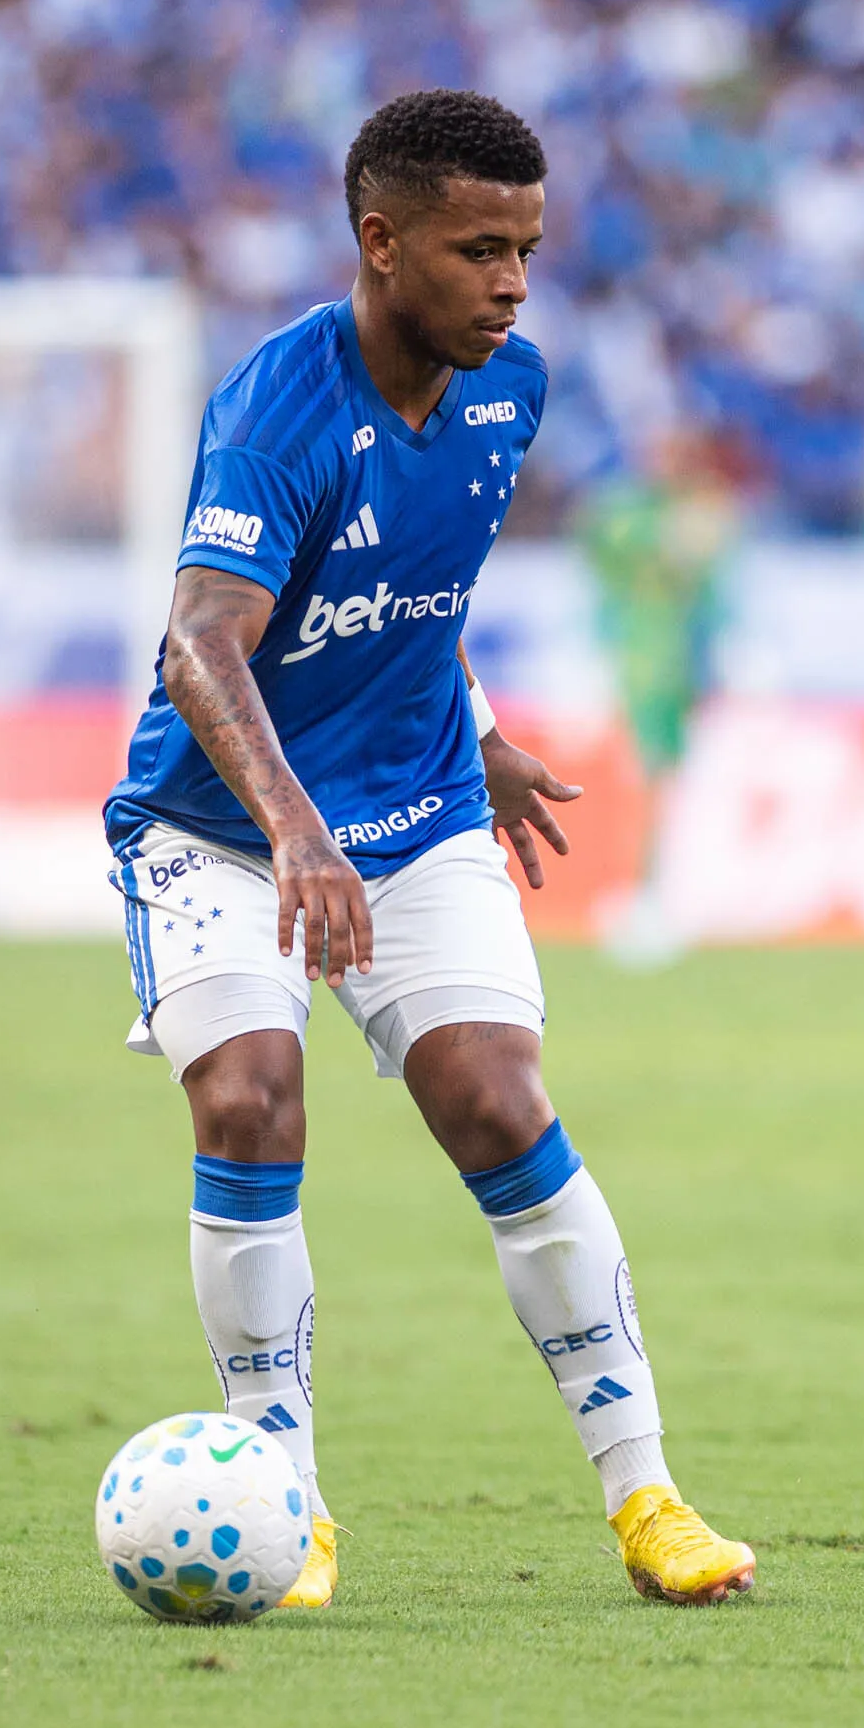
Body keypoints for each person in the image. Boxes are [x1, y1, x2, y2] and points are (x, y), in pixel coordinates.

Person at [103, 91, 755, 1609]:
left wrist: (479, 725)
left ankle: (648, 1494)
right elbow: (204, 645)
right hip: (219, 827)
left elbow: (412, 594)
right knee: (252, 1103)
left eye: (528, 249)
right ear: (381, 242)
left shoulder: (507, 389)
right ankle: (290, 1498)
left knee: (496, 1095)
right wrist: (297, 834)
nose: (515, 282)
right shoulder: (279, 406)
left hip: (411, 807)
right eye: (480, 250)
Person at [579, 430, 737, 967]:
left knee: (663, 783)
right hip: (637, 668)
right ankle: (640, 895)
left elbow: (715, 590)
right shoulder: (632, 515)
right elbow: (603, 553)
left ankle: (655, 895)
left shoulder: (697, 513)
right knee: (643, 783)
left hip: (679, 670)